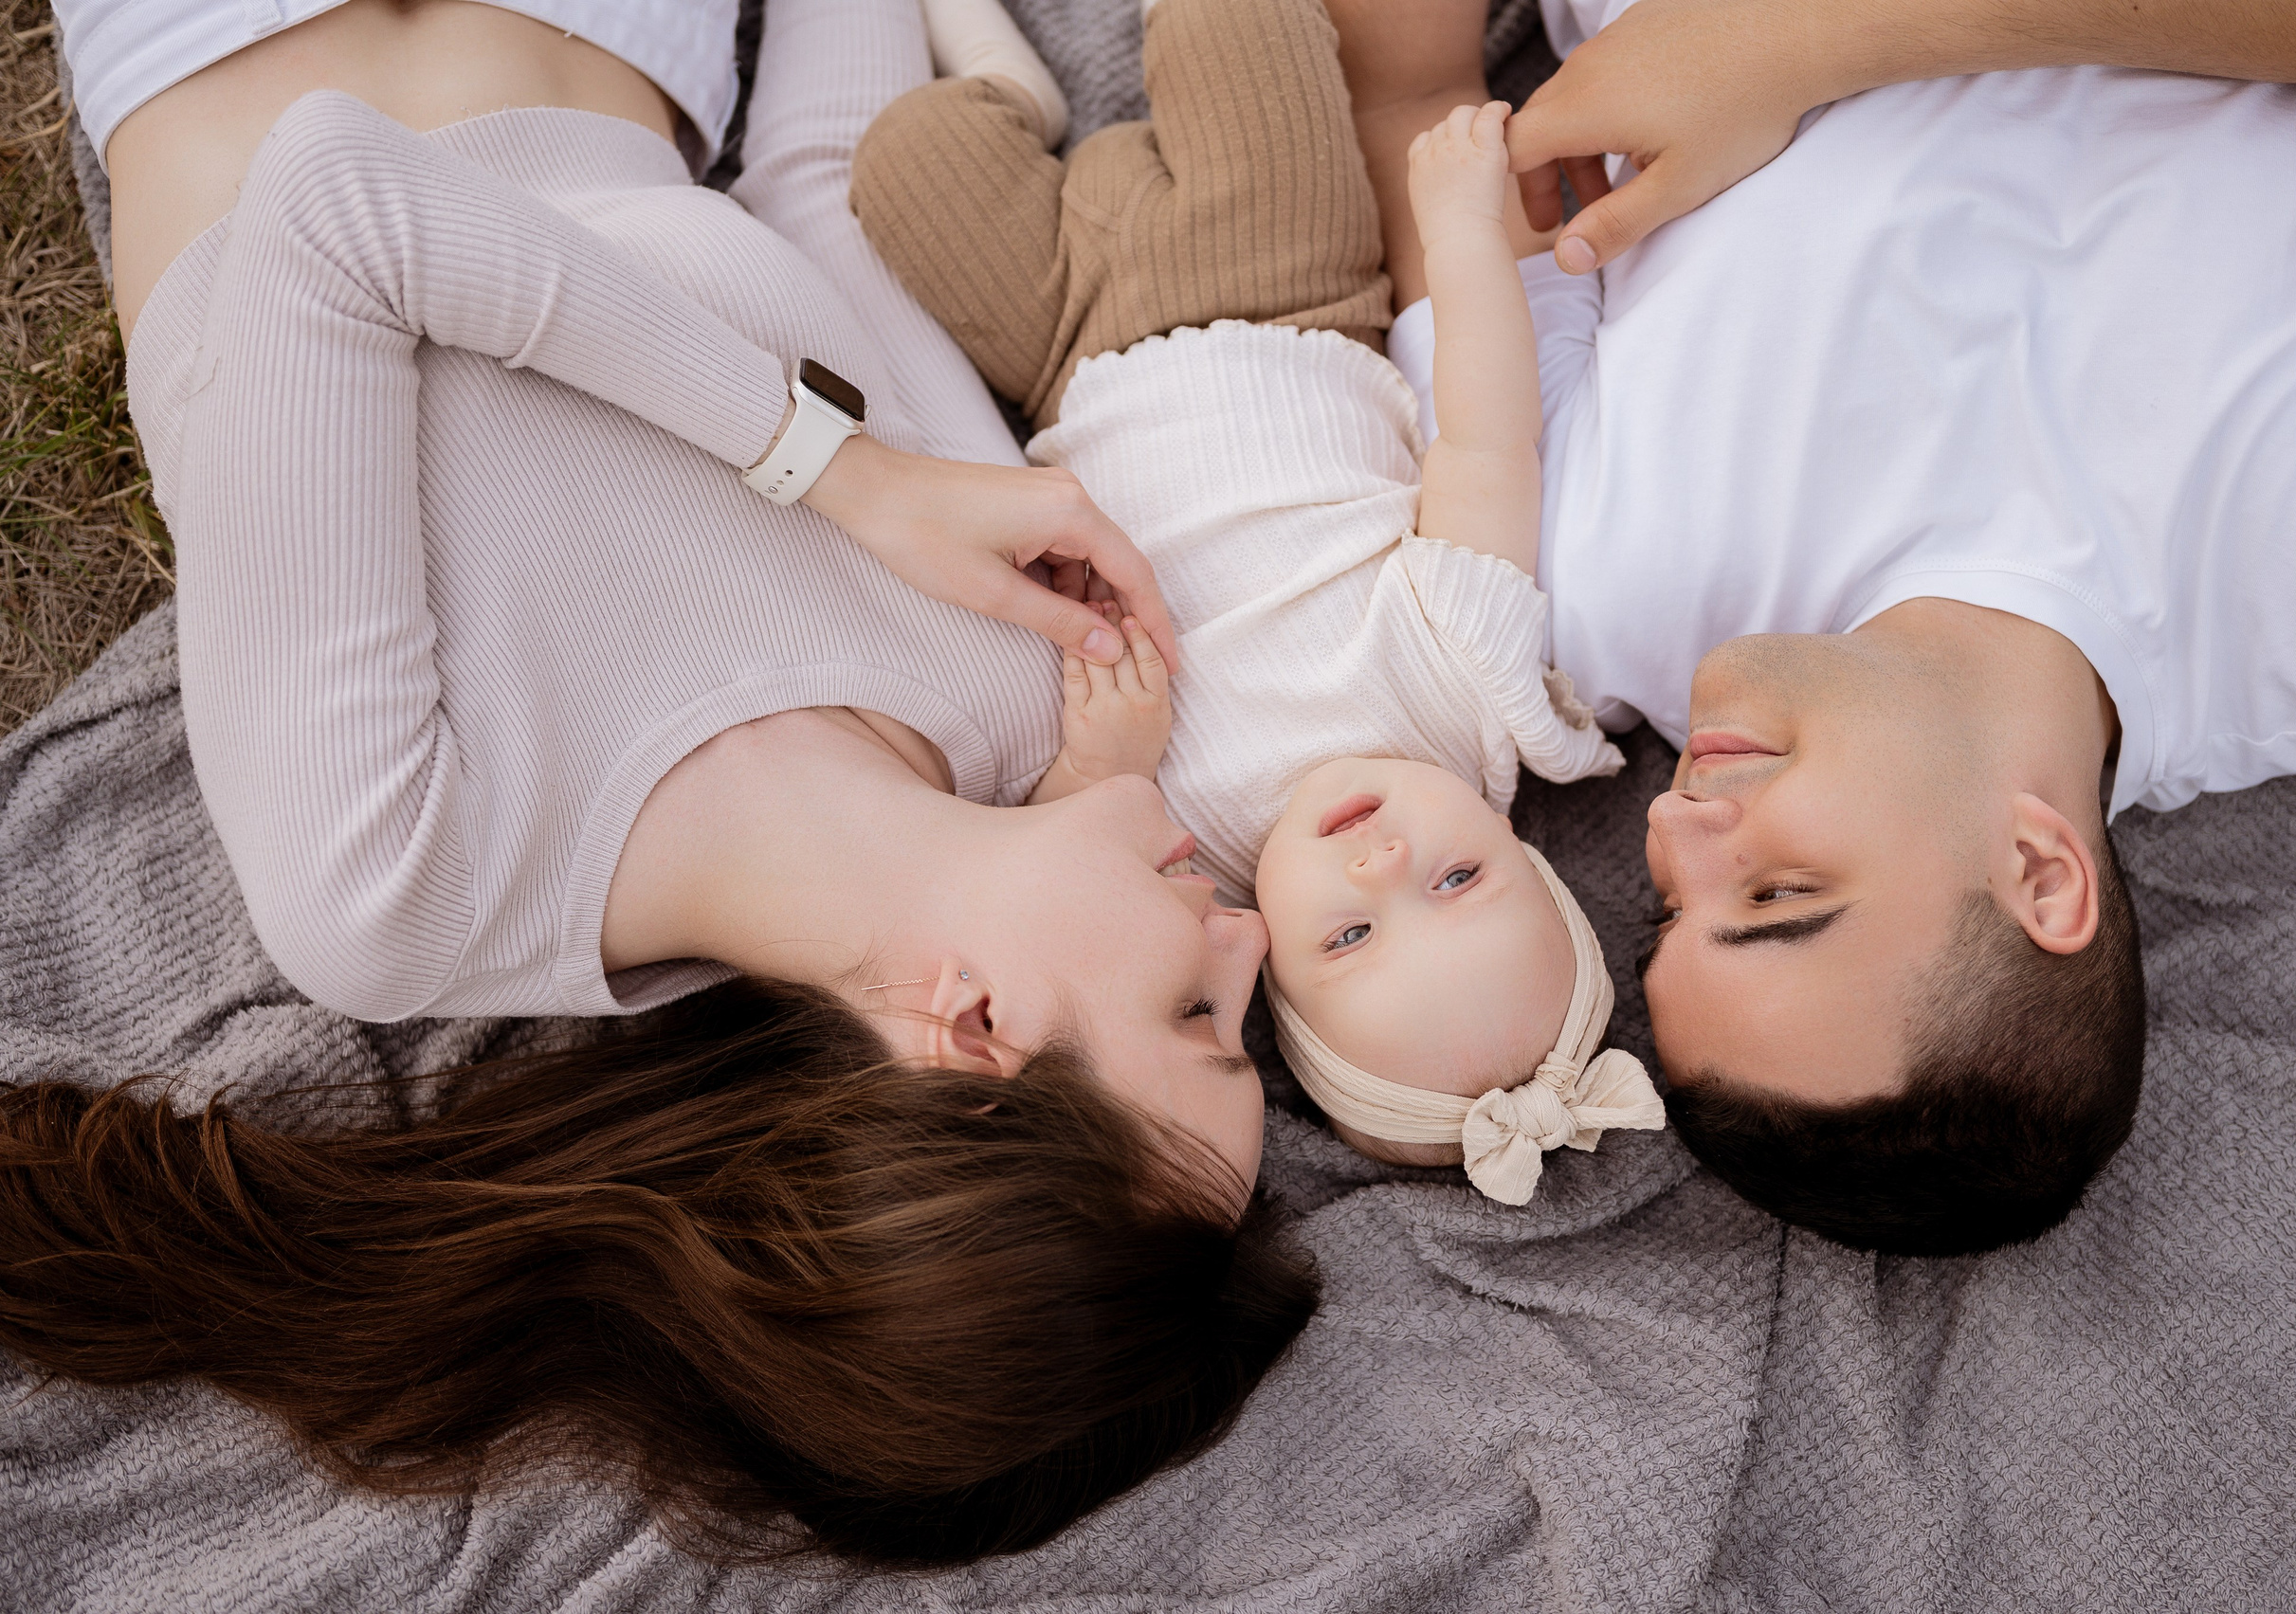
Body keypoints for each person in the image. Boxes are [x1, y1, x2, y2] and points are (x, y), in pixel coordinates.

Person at [7, 0, 1315, 1566]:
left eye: (1198, 1018)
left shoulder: (408, 879)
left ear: (967, 1025)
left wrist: (840, 474)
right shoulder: (1015, 665)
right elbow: (818, 187)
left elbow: (335, 203)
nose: (1249, 934)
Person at [1327, 0, 2296, 1253]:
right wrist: (1789, 46)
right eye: (1782, 891)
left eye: (1671, 911)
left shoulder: (1583, 592)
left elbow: (1417, 107)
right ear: (2039, 872)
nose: (1676, 830)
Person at [847, 0, 1664, 1207]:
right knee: (1243, 21)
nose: (1381, 860)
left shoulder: (1200, 865)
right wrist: (1459, 236)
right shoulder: (1474, 693)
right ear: (1523, 852)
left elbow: (1041, 831)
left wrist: (1102, 762)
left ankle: (1008, 93)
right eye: (1454, 881)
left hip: (1063, 349)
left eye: (1349, 937)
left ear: (1272, 975)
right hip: (1281, 282)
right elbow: (1491, 442)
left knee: (908, 169)